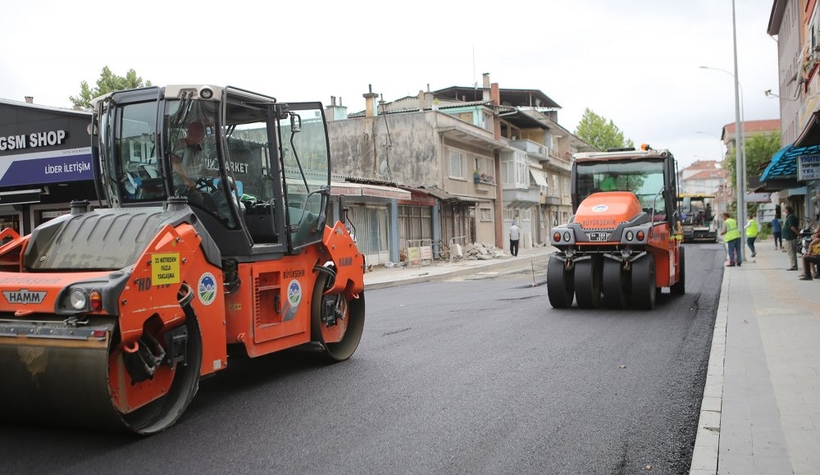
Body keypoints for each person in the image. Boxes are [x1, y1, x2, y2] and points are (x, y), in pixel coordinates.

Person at [171, 120, 210, 204]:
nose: (191, 137)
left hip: (193, 186)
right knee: (198, 198)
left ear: (202, 137)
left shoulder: (200, 150)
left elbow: (202, 171)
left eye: (197, 135)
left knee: (209, 198)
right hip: (178, 187)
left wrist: (218, 173)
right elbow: (175, 162)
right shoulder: (181, 144)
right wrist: (186, 180)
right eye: (190, 133)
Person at [782, 205, 799, 271]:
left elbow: (792, 227)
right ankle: (793, 265)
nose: (784, 211)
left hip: (791, 237)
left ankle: (794, 266)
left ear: (787, 210)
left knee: (791, 252)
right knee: (791, 251)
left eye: (785, 209)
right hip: (789, 236)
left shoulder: (791, 217)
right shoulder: (789, 216)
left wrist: (798, 234)